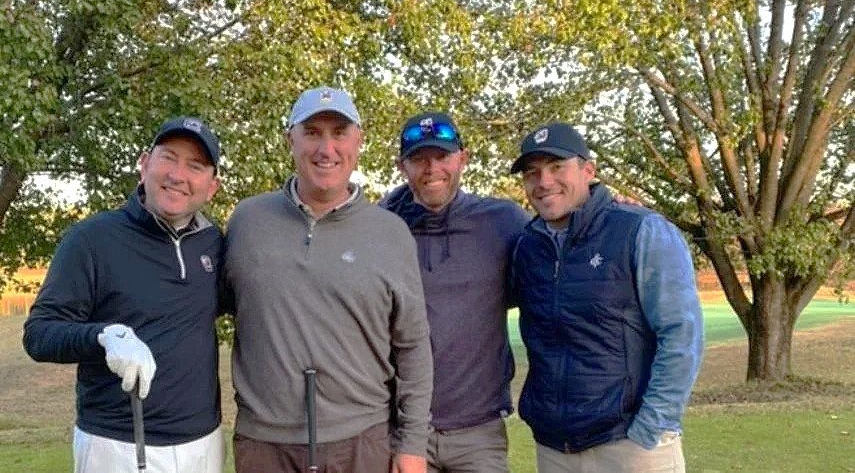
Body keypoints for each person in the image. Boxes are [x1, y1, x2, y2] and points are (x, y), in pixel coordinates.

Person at [223, 86, 433, 473]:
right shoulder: (247, 221)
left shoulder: (390, 233)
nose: (326, 148)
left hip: (360, 443)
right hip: (264, 445)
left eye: (339, 133)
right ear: (290, 139)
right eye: (312, 133)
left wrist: (413, 445)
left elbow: (413, 347)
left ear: (358, 140)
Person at [23, 117, 225, 473]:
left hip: (203, 442)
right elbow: (39, 334)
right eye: (168, 158)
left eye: (195, 166)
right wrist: (103, 336)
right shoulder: (91, 240)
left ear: (212, 187)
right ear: (144, 164)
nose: (178, 175)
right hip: (117, 445)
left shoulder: (214, 244)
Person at [509, 122, 704, 473]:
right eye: (532, 173)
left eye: (557, 167)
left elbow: (681, 335)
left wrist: (651, 427)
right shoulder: (527, 246)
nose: (544, 182)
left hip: (630, 446)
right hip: (555, 449)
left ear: (588, 170)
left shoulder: (641, 230)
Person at [379, 112, 530, 473]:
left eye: (442, 156)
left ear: (463, 157)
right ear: (402, 166)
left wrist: (609, 212)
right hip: (403, 432)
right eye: (419, 158)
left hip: (479, 433)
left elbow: (564, 251)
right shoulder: (381, 228)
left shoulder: (503, 221)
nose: (432, 168)